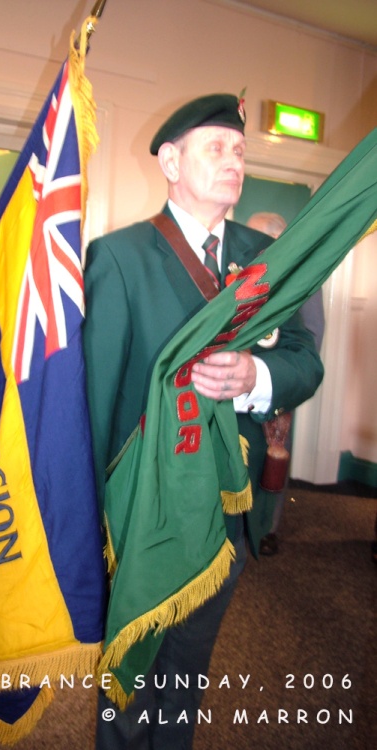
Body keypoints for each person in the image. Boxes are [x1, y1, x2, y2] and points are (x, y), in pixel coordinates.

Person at [83, 94, 324, 748]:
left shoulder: (267, 257)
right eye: (214, 147)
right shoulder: (119, 256)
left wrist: (257, 380)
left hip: (224, 510)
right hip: (146, 510)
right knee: (131, 671)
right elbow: (98, 395)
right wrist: (91, 519)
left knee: (187, 672)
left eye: (240, 150)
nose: (233, 161)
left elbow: (305, 360)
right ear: (168, 160)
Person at [246, 212, 325, 555]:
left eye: (257, 240)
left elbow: (312, 335)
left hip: (279, 387)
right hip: (243, 387)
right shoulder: (250, 276)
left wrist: (283, 380)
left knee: (276, 457)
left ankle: (268, 529)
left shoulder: (303, 277)